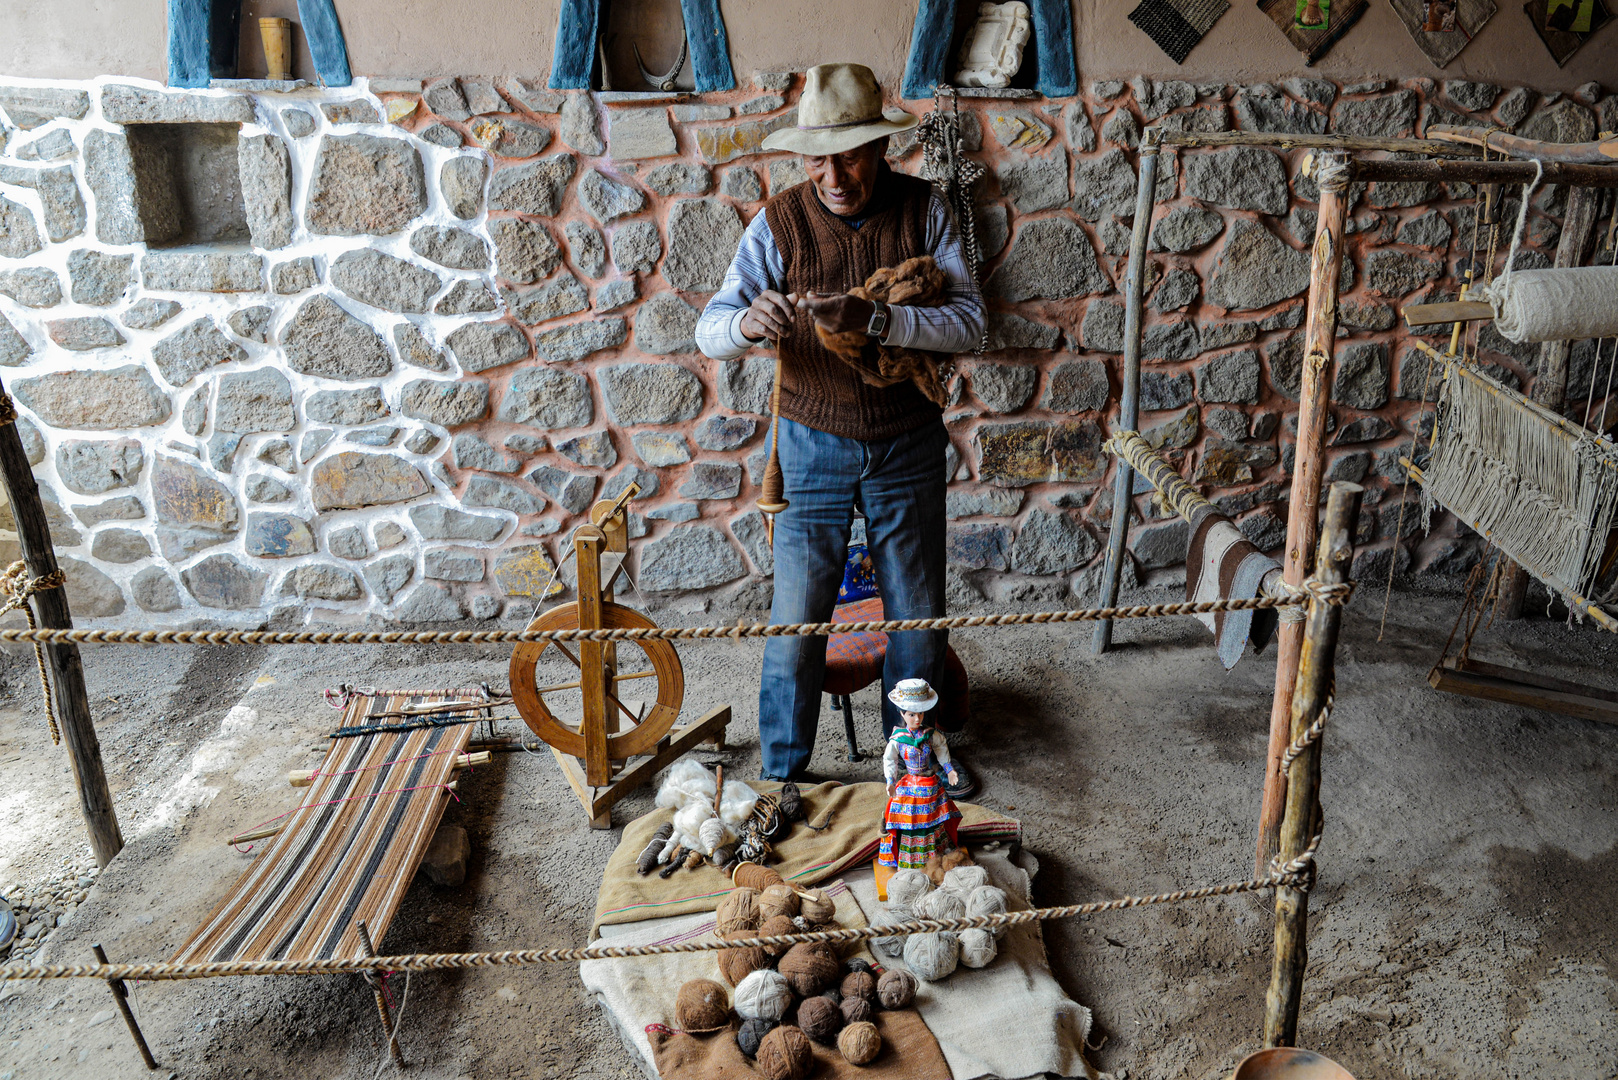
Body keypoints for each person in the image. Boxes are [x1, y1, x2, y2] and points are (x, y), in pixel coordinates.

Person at [697, 63, 985, 797]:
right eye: (818, 157)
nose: (833, 174)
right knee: (797, 617)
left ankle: (911, 762)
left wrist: (875, 317)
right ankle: (783, 772)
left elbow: (971, 326)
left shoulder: (927, 212)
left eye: (849, 155)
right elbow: (710, 328)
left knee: (917, 613)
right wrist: (745, 323)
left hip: (907, 439)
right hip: (809, 442)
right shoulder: (779, 222)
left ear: (881, 149)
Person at [876, 678, 961, 895]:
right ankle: (910, 857)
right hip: (910, 781)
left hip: (929, 780)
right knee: (902, 814)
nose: (917, 718)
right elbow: (889, 759)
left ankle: (934, 851)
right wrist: (890, 781)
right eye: (912, 714)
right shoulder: (899, 738)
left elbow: (941, 747)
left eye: (920, 714)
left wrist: (949, 769)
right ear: (902, 714)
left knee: (935, 814)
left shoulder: (930, 735)